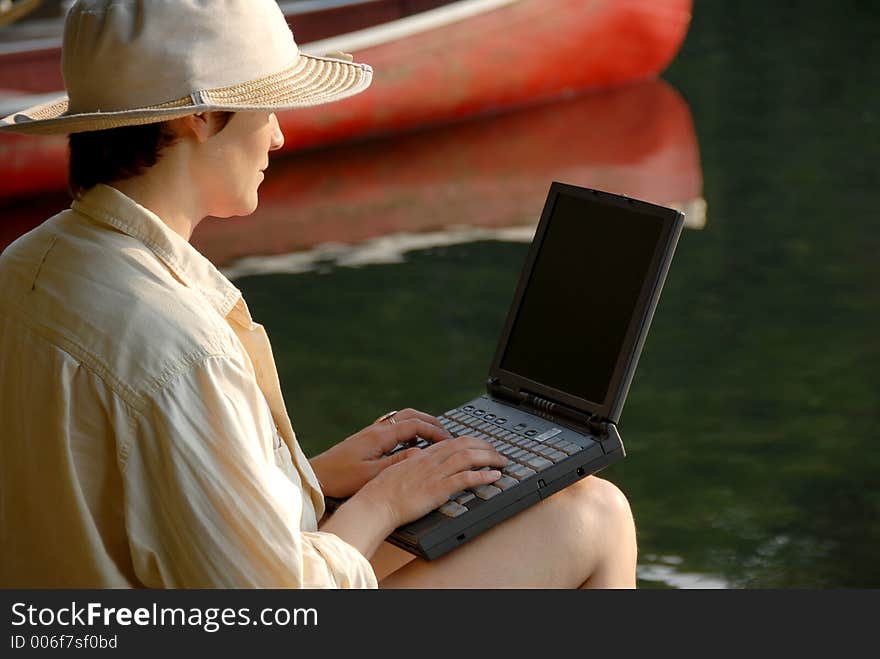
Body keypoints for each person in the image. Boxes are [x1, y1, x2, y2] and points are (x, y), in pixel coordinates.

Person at [0, 0, 637, 588]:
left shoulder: (26, 266)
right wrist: (386, 502)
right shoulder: (181, 347)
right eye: (268, 106)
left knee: (580, 505)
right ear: (200, 116)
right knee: (594, 520)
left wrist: (308, 477)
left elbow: (123, 494)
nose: (277, 136)